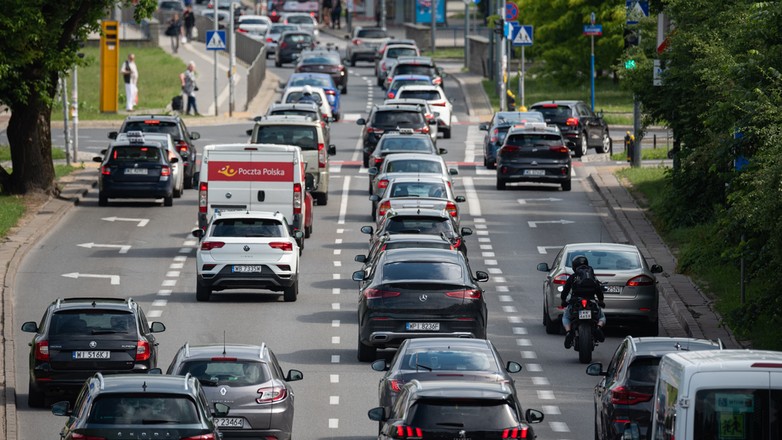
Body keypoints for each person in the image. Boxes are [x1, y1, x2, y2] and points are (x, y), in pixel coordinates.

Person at [560, 255, 606, 348]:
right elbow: (598, 290)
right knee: (601, 317)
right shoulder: (592, 276)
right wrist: (601, 301)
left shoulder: (573, 277)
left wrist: (563, 301)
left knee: (566, 316)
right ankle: (598, 327)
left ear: (574, 266)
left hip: (576, 302)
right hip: (591, 302)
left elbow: (565, 291)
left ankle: (568, 332)